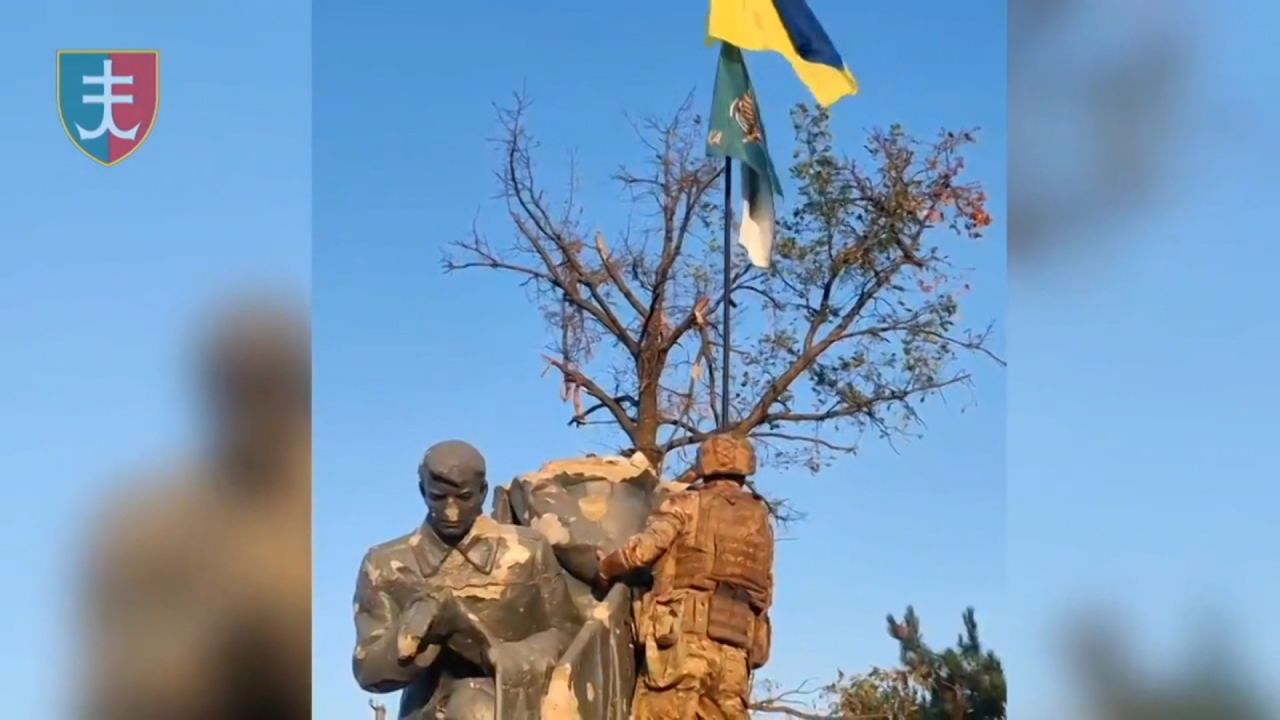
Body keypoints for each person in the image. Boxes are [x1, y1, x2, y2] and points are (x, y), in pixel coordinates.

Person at [352, 440, 582, 720]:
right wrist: (411, 634)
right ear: (423, 491)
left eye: (464, 497)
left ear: (483, 492)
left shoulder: (527, 551)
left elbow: (570, 635)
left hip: (513, 708)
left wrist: (506, 657)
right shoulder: (385, 565)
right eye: (438, 497)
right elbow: (368, 671)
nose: (452, 511)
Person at [596, 433, 775, 719]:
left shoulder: (687, 504)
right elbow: (765, 592)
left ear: (705, 464)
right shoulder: (759, 520)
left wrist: (606, 567)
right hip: (735, 652)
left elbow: (641, 552)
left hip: (683, 642)